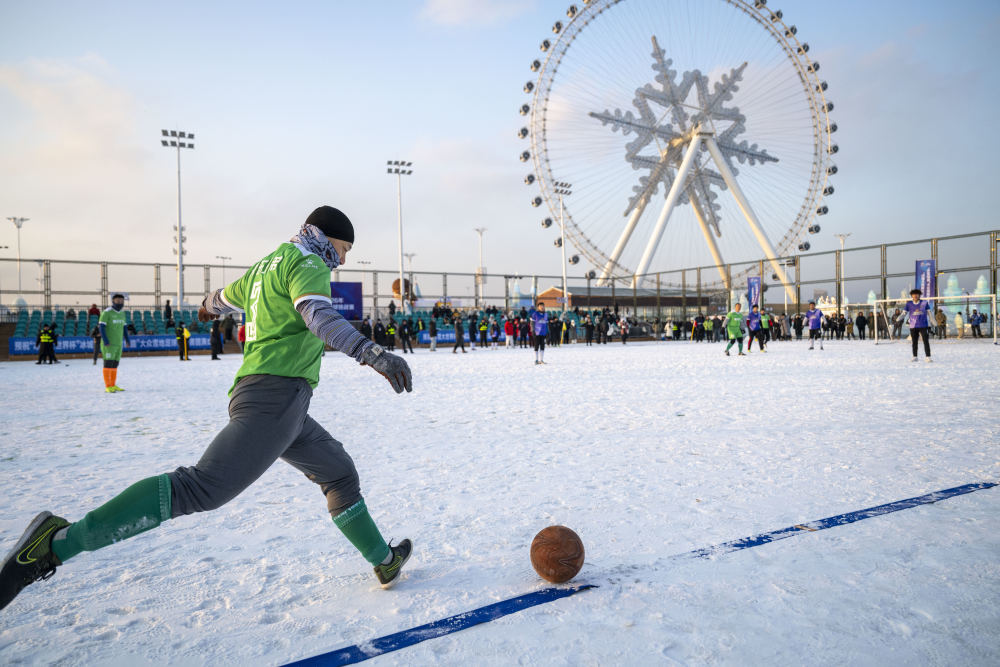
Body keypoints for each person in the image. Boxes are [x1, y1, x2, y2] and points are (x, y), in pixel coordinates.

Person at [0, 206, 414, 614]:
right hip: (276, 398)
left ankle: (383, 559)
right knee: (199, 488)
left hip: (278, 403)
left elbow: (217, 299)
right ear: (326, 237)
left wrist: (207, 306)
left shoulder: (268, 264)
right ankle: (55, 545)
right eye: (342, 249)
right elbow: (319, 317)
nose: (341, 260)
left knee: (339, 473)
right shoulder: (310, 261)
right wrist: (371, 352)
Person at [99, 294, 131, 391]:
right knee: (108, 363)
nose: (120, 302)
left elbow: (124, 328)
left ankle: (113, 384)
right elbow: (101, 327)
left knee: (115, 364)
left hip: (118, 343)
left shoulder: (122, 313)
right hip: (109, 344)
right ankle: (108, 386)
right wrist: (105, 340)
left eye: (122, 301)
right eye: (118, 301)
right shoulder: (107, 312)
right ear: (113, 301)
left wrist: (127, 340)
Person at [904, 289, 932, 362]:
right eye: (913, 294)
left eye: (917, 294)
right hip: (913, 326)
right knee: (914, 342)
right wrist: (900, 317)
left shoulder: (924, 303)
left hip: (923, 325)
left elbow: (929, 312)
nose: (915, 296)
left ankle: (928, 356)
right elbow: (904, 312)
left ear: (919, 295)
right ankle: (915, 356)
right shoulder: (909, 304)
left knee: (926, 341)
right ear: (912, 296)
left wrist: (932, 319)